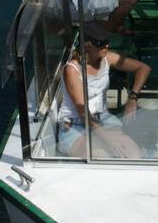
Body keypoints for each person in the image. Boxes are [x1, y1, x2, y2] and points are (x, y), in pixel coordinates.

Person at [57, 22, 151, 158]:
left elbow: (143, 68)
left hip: (103, 118)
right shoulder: (72, 70)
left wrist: (133, 97)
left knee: (133, 154)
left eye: (107, 41)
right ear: (87, 45)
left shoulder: (108, 58)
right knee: (99, 156)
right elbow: (83, 113)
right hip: (74, 124)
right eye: (101, 43)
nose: (106, 46)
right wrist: (107, 140)